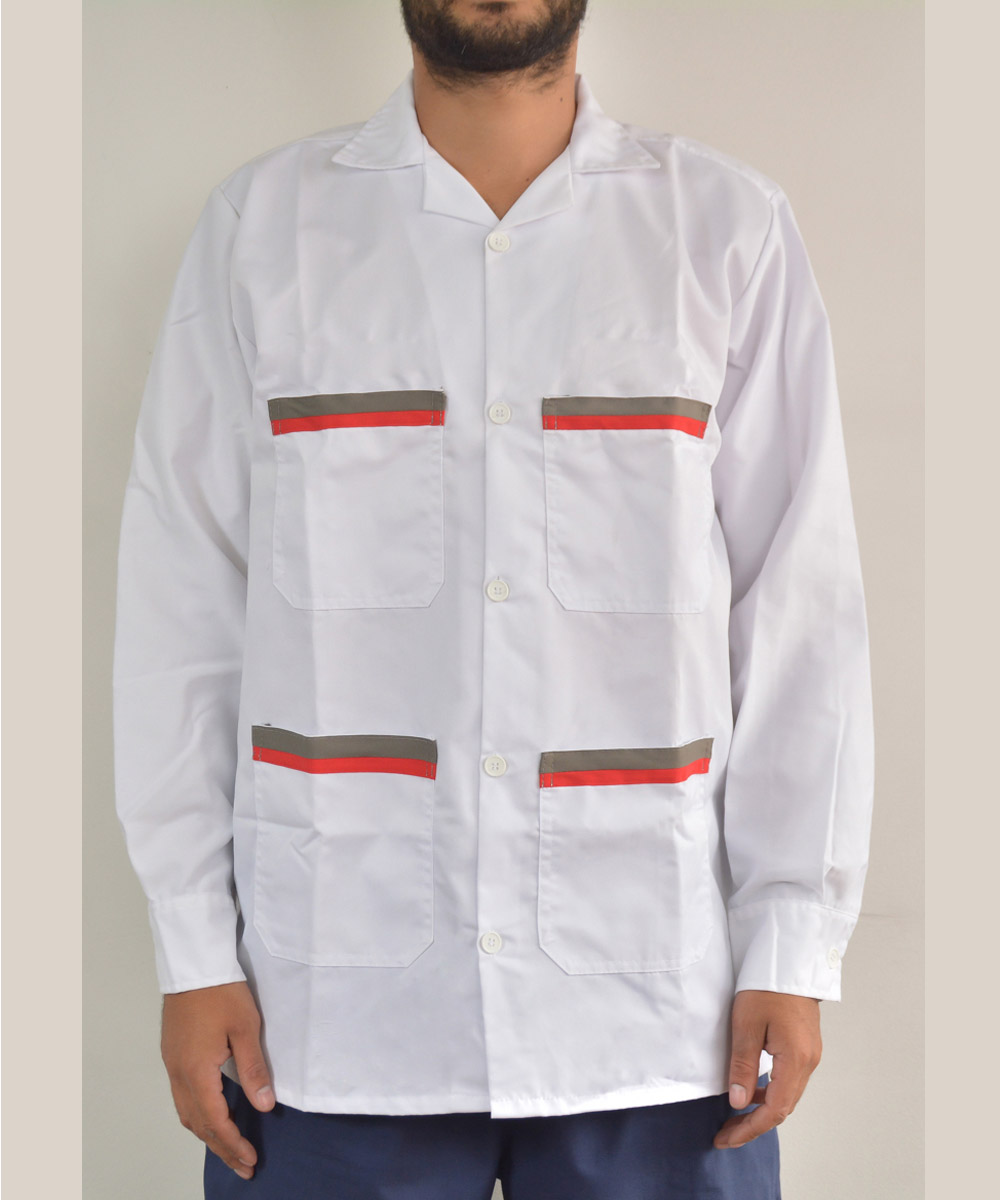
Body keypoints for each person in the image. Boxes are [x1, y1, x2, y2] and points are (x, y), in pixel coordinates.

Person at [111, 2, 875, 1197]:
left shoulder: (723, 230)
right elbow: (183, 600)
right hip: (327, 1018)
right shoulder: (265, 230)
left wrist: (792, 935)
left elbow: (799, 608)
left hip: (654, 1014)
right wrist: (193, 946)